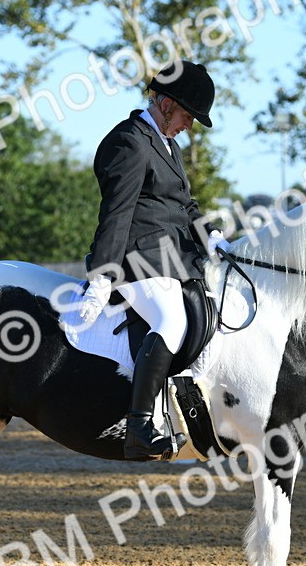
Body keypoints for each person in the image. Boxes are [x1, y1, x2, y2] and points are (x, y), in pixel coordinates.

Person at [78, 60, 230, 460]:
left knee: (212, 311)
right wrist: (104, 274)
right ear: (165, 104)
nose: (189, 125)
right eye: (186, 116)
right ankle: (139, 427)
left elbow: (184, 206)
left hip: (175, 256)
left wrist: (210, 233)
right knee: (171, 319)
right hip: (137, 258)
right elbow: (117, 211)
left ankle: (189, 405)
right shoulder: (128, 141)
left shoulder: (168, 144)